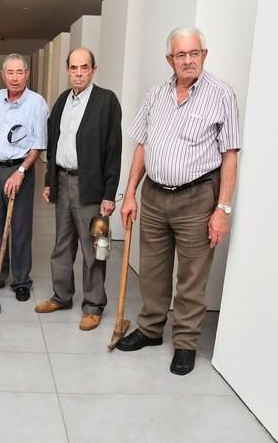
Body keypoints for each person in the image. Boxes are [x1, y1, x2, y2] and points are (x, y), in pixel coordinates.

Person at [117, 27, 240, 375]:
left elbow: (230, 155)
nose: (188, 60)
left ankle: (185, 343)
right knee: (153, 271)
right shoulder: (155, 95)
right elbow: (141, 146)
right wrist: (130, 193)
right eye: (181, 55)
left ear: (204, 54)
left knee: (191, 276)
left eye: (194, 53)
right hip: (154, 195)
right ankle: (151, 328)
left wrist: (223, 208)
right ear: (169, 59)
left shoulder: (221, 94)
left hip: (198, 198)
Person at [35, 48, 122, 331]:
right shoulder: (62, 101)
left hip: (93, 188)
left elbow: (113, 150)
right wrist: (49, 180)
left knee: (95, 248)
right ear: (67, 69)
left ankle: (94, 305)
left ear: (94, 69)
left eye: (85, 67)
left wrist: (110, 194)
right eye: (74, 68)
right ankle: (62, 296)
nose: (79, 73)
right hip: (63, 181)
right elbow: (53, 143)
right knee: (62, 244)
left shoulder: (106, 101)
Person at [0, 53, 49, 302]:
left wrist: (21, 172)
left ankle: (21, 280)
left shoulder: (37, 103)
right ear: (3, 75)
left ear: (27, 74)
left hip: (20, 170)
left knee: (20, 227)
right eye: (10, 73)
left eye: (20, 72)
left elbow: (38, 145)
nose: (15, 78)